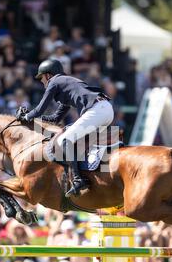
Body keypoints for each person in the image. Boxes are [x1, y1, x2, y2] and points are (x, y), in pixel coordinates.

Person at [16, 59, 114, 198]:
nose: (42, 82)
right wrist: (34, 119)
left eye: (42, 78)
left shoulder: (54, 81)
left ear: (48, 75)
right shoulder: (67, 86)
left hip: (96, 110)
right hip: (106, 110)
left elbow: (39, 110)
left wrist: (26, 117)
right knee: (80, 141)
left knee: (64, 140)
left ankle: (78, 180)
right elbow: (55, 118)